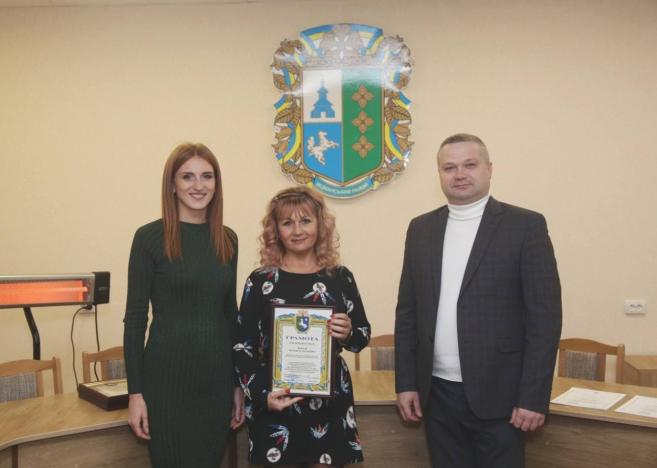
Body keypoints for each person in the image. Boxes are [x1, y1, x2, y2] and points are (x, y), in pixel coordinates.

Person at [394, 133, 562, 468]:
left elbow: (544, 319)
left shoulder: (525, 226)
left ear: (489, 168)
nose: (459, 174)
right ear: (439, 174)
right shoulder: (421, 229)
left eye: (469, 164)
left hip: (502, 396)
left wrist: (533, 397)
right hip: (436, 394)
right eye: (449, 167)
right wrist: (407, 383)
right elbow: (408, 312)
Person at [123, 143, 244, 468]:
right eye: (187, 176)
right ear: (172, 185)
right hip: (166, 384)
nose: (198, 185)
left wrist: (237, 384)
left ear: (217, 184)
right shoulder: (149, 238)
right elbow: (135, 320)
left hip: (216, 382)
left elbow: (229, 314)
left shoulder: (228, 239)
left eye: (207, 176)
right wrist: (135, 394)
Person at [234, 186, 371, 467]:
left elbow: (361, 337)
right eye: (287, 223)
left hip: (329, 406)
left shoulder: (340, 278)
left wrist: (347, 333)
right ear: (276, 230)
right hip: (275, 405)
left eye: (305, 221)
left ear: (320, 225)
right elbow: (242, 347)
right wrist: (262, 396)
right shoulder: (260, 281)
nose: (297, 230)